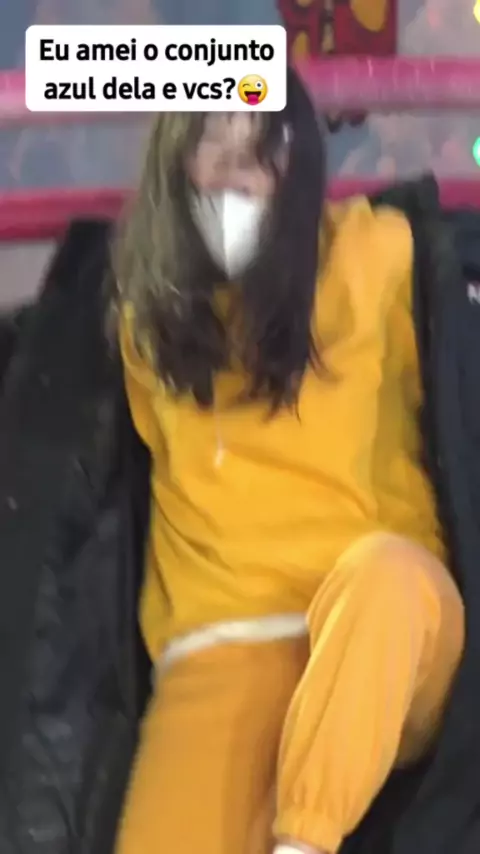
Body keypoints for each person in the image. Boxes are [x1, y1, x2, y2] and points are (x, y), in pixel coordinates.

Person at [109, 70, 465, 854]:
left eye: (262, 150)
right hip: (222, 649)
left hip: (384, 628)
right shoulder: (147, 322)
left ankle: (304, 840)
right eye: (213, 144)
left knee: (386, 579)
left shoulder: (373, 254)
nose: (237, 175)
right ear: (175, 160)